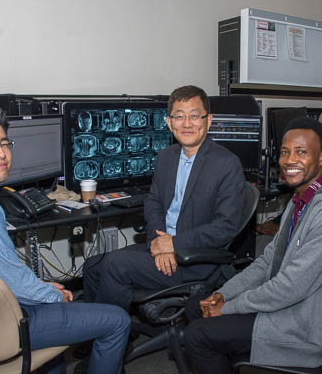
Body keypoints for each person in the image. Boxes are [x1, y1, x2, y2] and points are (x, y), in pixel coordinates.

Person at [0, 104, 130, 374]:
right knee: (117, 320)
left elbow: (0, 274)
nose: (1, 154)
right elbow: (12, 281)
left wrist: (40, 287)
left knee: (50, 305)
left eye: (4, 143)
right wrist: (53, 296)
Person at [183, 117, 322, 373]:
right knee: (197, 305)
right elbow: (267, 262)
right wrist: (224, 294)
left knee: (197, 335)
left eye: (301, 152)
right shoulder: (301, 199)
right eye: (285, 152)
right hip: (293, 305)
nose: (289, 160)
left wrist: (229, 307)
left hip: (310, 325)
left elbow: (292, 287)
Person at [83, 85, 246, 310]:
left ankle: (111, 337)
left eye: (194, 116)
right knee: (92, 265)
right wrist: (157, 243)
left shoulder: (227, 164)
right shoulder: (165, 157)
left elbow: (225, 227)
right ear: (169, 123)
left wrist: (173, 244)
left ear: (208, 120)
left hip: (195, 259)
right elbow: (154, 203)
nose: (187, 124)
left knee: (115, 265)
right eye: (179, 116)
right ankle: (98, 334)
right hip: (164, 245)